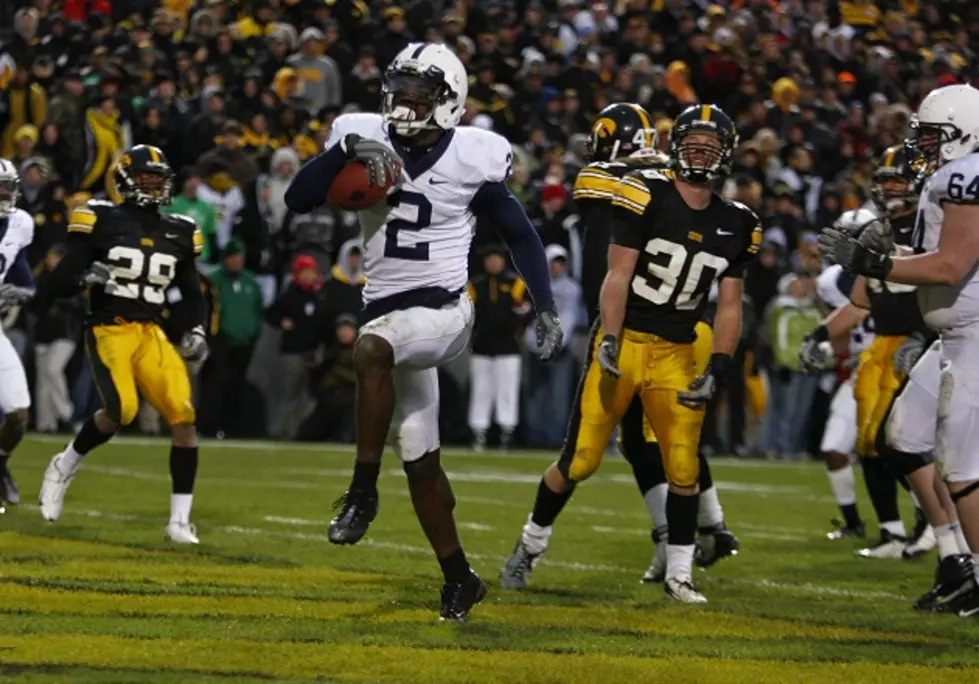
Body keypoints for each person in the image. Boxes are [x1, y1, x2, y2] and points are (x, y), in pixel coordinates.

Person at [283, 42, 562, 622]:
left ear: (450, 102)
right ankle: (460, 579)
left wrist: (545, 305)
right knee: (420, 459)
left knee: (371, 348)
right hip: (389, 314)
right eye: (400, 89)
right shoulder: (363, 134)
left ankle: (361, 491)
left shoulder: (472, 156)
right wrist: (345, 151)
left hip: (444, 314)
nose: (404, 103)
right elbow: (298, 197)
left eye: (420, 93)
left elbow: (520, 234)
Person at [502, 104, 760, 603]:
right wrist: (613, 339)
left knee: (677, 458)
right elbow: (610, 242)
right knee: (582, 460)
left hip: (682, 344)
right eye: (692, 145)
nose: (700, 156)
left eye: (711, 147)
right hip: (626, 334)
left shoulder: (739, 222)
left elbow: (731, 304)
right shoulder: (638, 188)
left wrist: (722, 364)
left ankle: (684, 565)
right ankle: (530, 544)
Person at [819, 83, 979, 615]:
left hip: (976, 334)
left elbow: (951, 266)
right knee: (904, 438)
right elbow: (938, 258)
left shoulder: (966, 174)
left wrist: (877, 265)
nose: (923, 147)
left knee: (963, 472)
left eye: (933, 136)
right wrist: (893, 254)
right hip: (955, 334)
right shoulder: (948, 178)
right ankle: (955, 558)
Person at [33, 144, 209, 543]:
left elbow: (191, 293)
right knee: (122, 410)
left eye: (158, 179)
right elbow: (59, 281)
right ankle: (64, 463)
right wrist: (86, 278)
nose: (154, 185)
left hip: (151, 332)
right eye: (146, 178)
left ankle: (179, 521)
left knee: (183, 414)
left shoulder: (179, 229)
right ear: (126, 180)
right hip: (109, 327)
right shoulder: (101, 218)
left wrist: (196, 330)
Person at [802, 147, 935, 559]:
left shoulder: (933, 225)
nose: (891, 187)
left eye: (900, 179)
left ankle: (933, 523)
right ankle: (893, 534)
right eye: (886, 179)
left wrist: (924, 336)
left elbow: (947, 285)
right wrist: (820, 333)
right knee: (870, 443)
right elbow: (860, 303)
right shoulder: (876, 230)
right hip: (882, 347)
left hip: (926, 345)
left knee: (902, 442)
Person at [466, 243, 530, 452]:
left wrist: (518, 311)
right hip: (481, 345)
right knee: (481, 390)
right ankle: (479, 431)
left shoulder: (516, 283)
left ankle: (507, 432)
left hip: (508, 346)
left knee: (507, 391)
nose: (493, 262)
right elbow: (468, 315)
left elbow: (527, 311)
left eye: (497, 258)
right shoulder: (475, 285)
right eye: (489, 258)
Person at [0, 158, 36, 506]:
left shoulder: (19, 224)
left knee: (18, 414)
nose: (4, 193)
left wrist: (18, 294)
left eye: (7, 186)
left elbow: (26, 282)